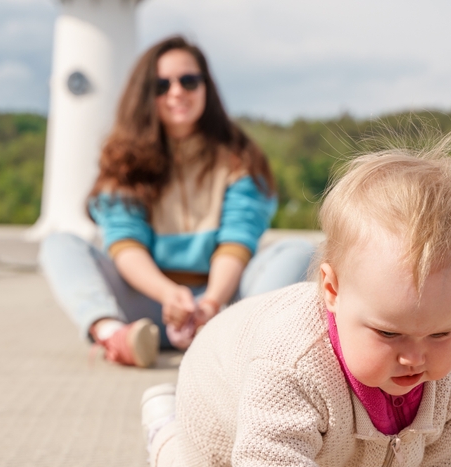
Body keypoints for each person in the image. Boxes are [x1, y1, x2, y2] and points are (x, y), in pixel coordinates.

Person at [140, 130, 451, 467]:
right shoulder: (291, 362)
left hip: (357, 451)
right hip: (216, 392)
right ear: (331, 289)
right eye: (389, 334)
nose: (415, 357)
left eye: (441, 333)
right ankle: (164, 424)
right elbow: (272, 466)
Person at [38, 35, 315, 368]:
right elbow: (124, 243)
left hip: (222, 303)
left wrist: (210, 303)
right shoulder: (124, 160)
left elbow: (237, 240)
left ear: (205, 87)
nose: (177, 92)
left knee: (301, 251)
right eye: (161, 85)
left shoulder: (239, 158)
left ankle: (240, 339)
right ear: (145, 94)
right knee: (59, 245)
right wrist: (168, 294)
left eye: (189, 80)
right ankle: (114, 335)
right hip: (146, 305)